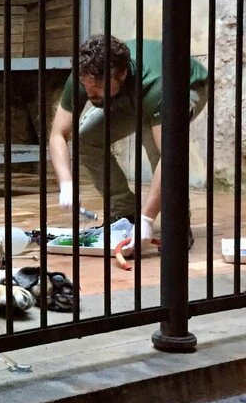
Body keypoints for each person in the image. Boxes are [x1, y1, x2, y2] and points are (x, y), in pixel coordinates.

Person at [48, 35, 208, 250]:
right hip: (130, 94)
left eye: (96, 87)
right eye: (85, 86)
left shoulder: (156, 85)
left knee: (158, 148)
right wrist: (66, 183)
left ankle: (176, 222)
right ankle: (124, 211)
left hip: (186, 85)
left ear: (122, 74)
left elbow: (170, 157)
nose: (89, 93)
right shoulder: (85, 77)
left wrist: (147, 220)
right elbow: (58, 133)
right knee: (87, 138)